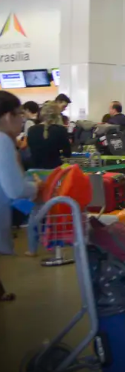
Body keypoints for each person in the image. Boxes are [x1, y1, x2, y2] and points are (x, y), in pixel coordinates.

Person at [0, 92, 39, 299]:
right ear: (8, 116)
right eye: (19, 114)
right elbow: (15, 189)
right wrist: (36, 187)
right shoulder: (2, 141)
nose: (22, 120)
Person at [27, 103, 71, 170]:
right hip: (54, 170)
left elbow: (31, 148)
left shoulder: (31, 130)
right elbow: (67, 154)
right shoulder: (61, 130)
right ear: (57, 115)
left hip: (34, 170)